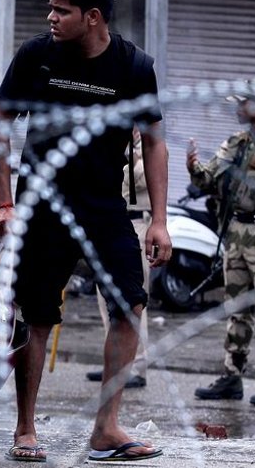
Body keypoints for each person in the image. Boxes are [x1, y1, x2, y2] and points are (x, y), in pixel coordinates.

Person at [0, 0, 171, 463]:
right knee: (37, 315)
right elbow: (0, 127)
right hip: (43, 206)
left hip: (104, 207)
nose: (51, 16)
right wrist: (3, 202)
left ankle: (106, 428)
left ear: (92, 17)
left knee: (131, 305)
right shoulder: (36, 56)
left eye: (61, 10)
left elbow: (155, 142)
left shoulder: (133, 67)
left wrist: (159, 218)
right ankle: (25, 427)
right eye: (51, 7)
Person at [190, 80, 255, 406]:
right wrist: (193, 167)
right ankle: (232, 376)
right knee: (237, 309)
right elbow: (206, 179)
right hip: (236, 235)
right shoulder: (236, 143)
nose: (237, 108)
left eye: (242, 103)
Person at [86, 127, 150, 389]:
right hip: (110, 224)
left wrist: (131, 153)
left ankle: (138, 365)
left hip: (138, 224)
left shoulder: (149, 146)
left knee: (134, 298)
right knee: (107, 300)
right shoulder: (112, 144)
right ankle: (115, 364)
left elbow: (142, 178)